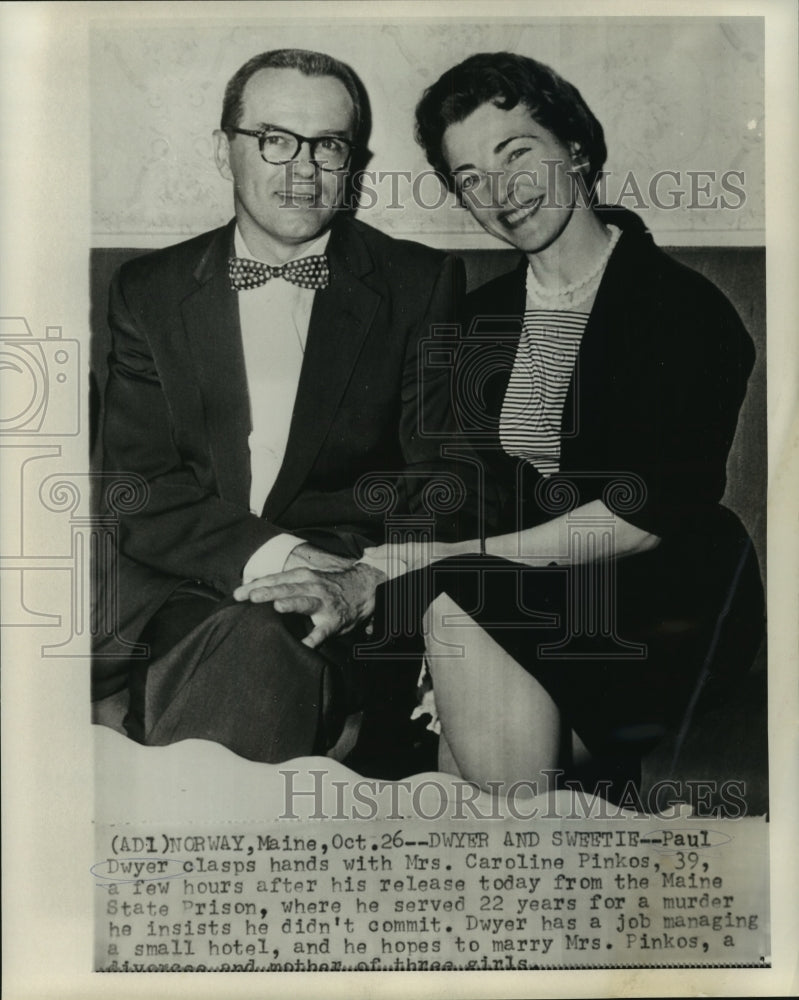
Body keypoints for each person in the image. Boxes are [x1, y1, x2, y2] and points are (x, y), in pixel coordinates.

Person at [248, 51, 765, 798]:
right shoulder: (471, 322)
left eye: (515, 153)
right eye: (470, 179)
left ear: (575, 148)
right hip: (512, 595)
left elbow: (640, 515)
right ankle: (522, 850)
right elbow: (441, 490)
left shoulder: (680, 310)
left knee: (458, 606)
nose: (499, 193)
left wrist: (427, 567)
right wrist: (358, 563)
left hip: (664, 595)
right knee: (456, 635)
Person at [91, 48, 473, 765]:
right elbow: (140, 487)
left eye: (328, 144)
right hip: (194, 588)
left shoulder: (419, 284)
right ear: (221, 149)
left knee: (255, 650)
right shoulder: (148, 289)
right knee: (240, 643)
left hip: (351, 605)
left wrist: (356, 578)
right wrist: (289, 558)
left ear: (351, 160)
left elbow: (445, 481)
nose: (303, 170)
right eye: (274, 139)